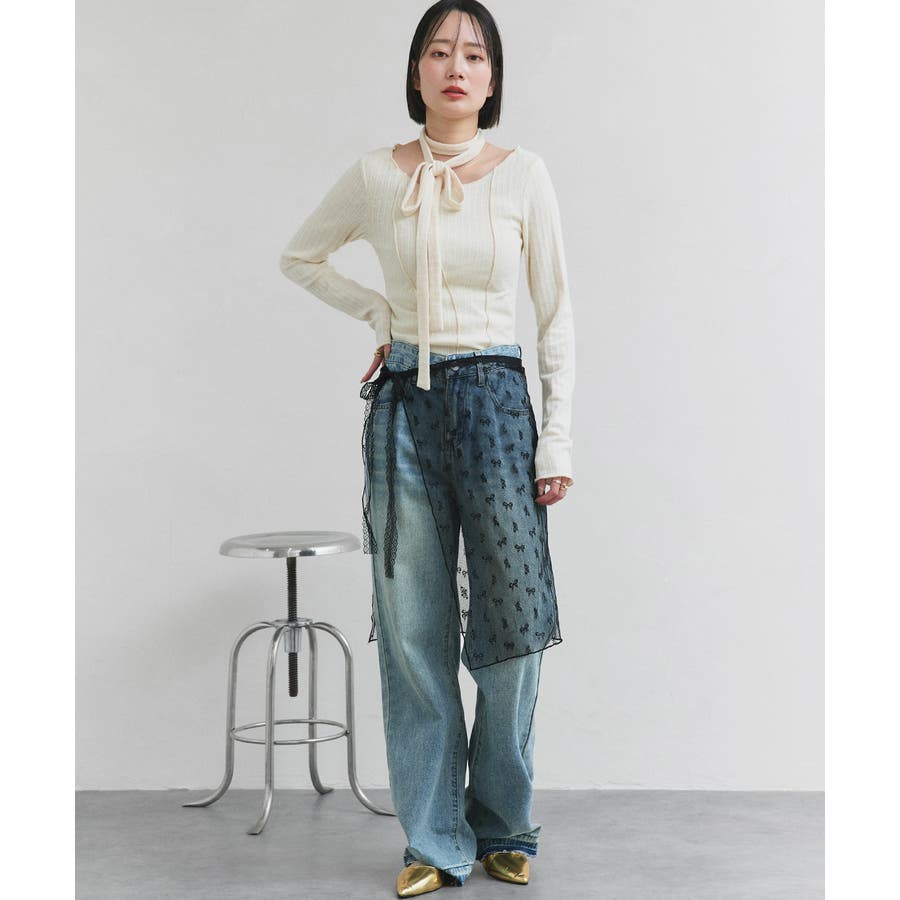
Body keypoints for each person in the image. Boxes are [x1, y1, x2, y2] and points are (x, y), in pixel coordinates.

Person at [279, 2, 575, 894]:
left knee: (514, 632)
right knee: (413, 633)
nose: (456, 67)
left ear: (492, 78)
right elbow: (302, 257)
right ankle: (435, 840)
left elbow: (556, 314)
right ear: (416, 71)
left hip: (497, 406)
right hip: (405, 407)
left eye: (473, 54)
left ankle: (504, 822)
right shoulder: (379, 176)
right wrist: (379, 313)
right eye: (439, 51)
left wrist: (557, 438)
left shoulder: (524, 176)